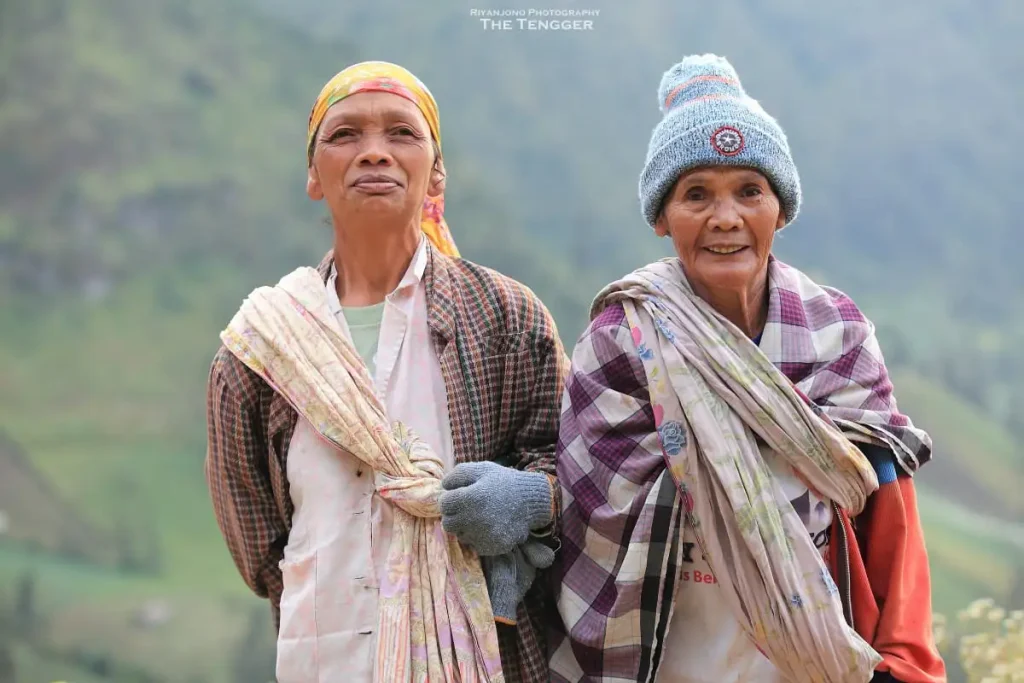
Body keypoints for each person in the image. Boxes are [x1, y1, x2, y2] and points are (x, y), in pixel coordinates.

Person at [548, 54, 946, 683]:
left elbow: (888, 503)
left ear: (780, 209)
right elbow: (591, 507)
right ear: (661, 218)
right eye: (696, 194)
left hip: (813, 661)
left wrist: (904, 658)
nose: (726, 218)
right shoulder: (619, 341)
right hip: (667, 657)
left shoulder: (837, 332)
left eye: (749, 191)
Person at [204, 61, 567, 683]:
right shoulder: (260, 351)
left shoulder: (505, 319)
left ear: (437, 172)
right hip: (323, 661)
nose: (374, 152)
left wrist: (532, 496)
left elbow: (577, 470)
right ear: (313, 175)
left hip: (480, 658)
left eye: (402, 133)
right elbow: (261, 550)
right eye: (344, 135)